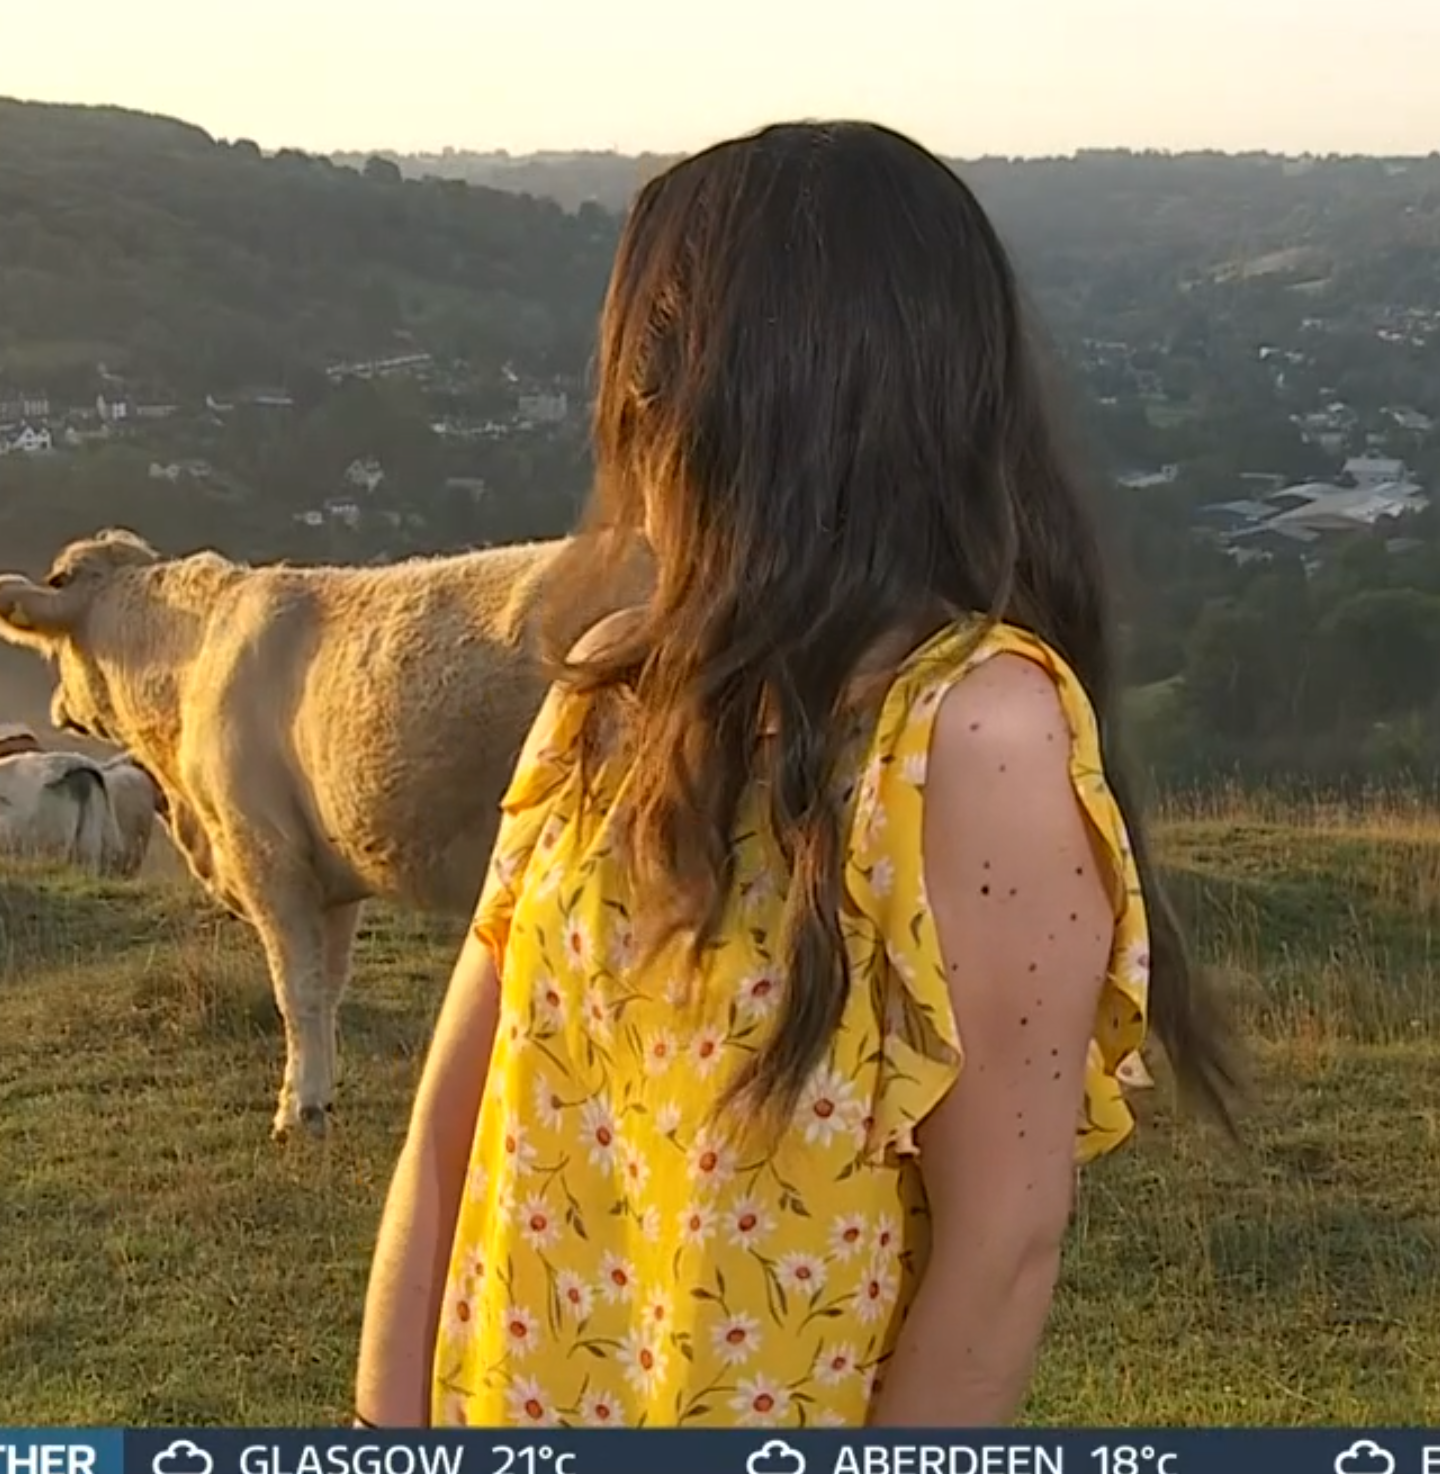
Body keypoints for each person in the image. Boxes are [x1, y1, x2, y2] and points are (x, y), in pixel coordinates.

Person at [354, 119, 1239, 1430]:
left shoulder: (972, 735)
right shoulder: (612, 690)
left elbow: (1002, 1254)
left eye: (644, 358)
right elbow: (456, 1109)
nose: (621, 406)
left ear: (737, 402)